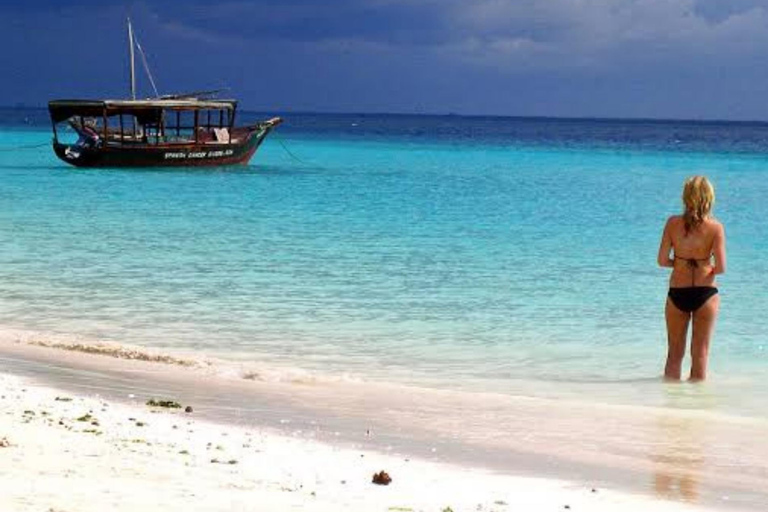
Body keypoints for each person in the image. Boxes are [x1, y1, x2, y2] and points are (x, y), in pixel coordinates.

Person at [657, 176, 726, 381]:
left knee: (674, 354)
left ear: (685, 197)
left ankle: (670, 404)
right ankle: (696, 409)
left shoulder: (672, 223)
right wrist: (705, 265)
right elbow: (721, 268)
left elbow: (661, 260)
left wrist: (679, 263)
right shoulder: (715, 227)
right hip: (706, 293)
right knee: (701, 354)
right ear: (709, 198)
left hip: (678, 291)